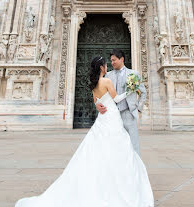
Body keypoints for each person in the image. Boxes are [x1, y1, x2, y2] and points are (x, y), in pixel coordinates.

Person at [15, 56, 154, 207]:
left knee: (99, 148)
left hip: (103, 118)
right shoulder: (107, 81)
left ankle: (101, 179)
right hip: (112, 117)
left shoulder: (94, 84)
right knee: (118, 147)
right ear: (101, 67)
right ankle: (113, 182)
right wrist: (129, 91)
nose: (107, 66)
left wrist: (98, 105)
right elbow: (116, 99)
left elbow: (97, 101)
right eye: (106, 65)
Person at [96, 49, 146, 155]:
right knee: (115, 144)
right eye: (111, 60)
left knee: (133, 145)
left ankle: (135, 169)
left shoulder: (133, 74)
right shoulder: (108, 75)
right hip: (113, 115)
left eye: (114, 60)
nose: (112, 63)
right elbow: (102, 93)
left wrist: (138, 109)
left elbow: (143, 93)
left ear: (122, 59)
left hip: (129, 113)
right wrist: (97, 104)